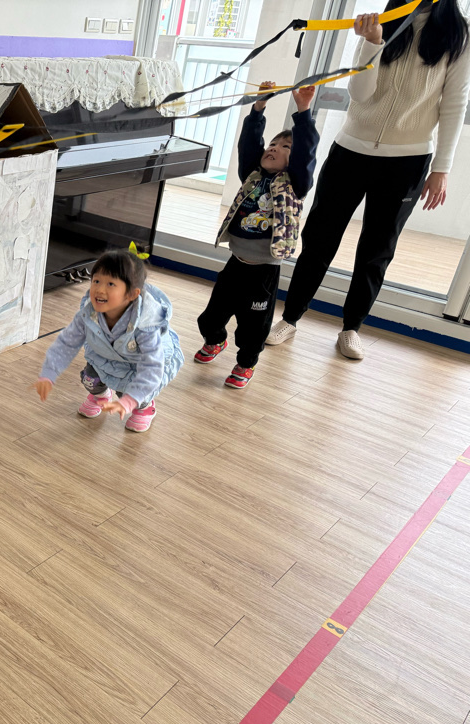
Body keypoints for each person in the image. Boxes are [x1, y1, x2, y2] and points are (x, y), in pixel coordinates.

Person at [266, 0, 470, 360]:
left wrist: (442, 167)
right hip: (350, 150)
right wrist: (373, 41)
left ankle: (351, 328)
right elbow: (359, 94)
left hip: (408, 160)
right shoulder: (381, 21)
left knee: (377, 251)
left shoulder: (459, 33)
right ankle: (291, 317)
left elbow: (454, 102)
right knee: (319, 239)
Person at [194, 81, 319, 389]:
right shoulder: (252, 175)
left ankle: (246, 363)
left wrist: (303, 111)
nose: (274, 148)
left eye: (285, 147)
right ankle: (215, 340)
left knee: (253, 325)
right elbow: (249, 145)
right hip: (236, 262)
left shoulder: (295, 184)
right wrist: (259, 107)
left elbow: (305, 154)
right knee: (211, 315)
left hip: (264, 271)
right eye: (273, 144)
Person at [34, 248, 184, 433]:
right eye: (96, 281)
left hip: (136, 365)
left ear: (131, 294)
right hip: (103, 356)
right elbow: (67, 342)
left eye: (111, 284)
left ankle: (145, 407)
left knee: (131, 391)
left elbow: (152, 367)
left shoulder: (146, 327)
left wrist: (129, 401)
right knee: (90, 380)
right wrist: (49, 373)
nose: (99, 289)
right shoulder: (88, 314)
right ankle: (102, 396)